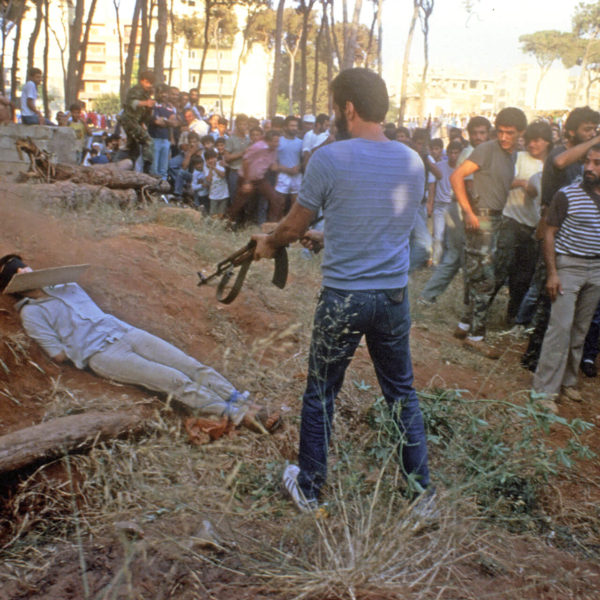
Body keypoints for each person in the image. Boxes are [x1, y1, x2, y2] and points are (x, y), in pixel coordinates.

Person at [252, 68, 431, 512]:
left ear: (347, 108)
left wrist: (269, 243)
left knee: (321, 393)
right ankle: (420, 494)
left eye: (335, 106)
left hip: (344, 298)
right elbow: (391, 229)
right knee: (401, 394)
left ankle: (310, 489)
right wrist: (328, 236)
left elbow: (294, 225)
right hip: (392, 297)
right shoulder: (412, 161)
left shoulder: (329, 158)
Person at [0, 254, 279, 434]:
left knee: (190, 365)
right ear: (14, 285)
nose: (26, 270)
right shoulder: (32, 313)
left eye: (24, 266)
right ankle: (237, 415)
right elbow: (58, 354)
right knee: (173, 379)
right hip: (103, 354)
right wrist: (81, 349)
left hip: (125, 331)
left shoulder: (65, 284)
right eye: (18, 271)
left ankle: (238, 398)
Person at [522, 106, 600, 371]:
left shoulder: (584, 159)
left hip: (571, 240)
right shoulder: (559, 152)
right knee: (548, 298)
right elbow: (559, 163)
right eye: (587, 129)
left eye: (594, 129)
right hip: (552, 233)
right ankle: (534, 357)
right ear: (570, 131)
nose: (592, 134)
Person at [450, 107, 527, 358]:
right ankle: (476, 335)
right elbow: (456, 176)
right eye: (501, 132)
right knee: (485, 278)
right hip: (481, 218)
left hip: (495, 218)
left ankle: (464, 324)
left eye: (510, 133)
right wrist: (468, 212)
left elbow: (498, 181)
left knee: (477, 272)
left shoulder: (510, 156)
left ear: (520, 134)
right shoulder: (487, 149)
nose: (504, 137)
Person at [531, 145, 600, 412]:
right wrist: (553, 273)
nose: (589, 168)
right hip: (568, 266)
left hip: (596, 268)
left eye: (596, 163)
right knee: (560, 327)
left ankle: (568, 382)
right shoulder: (567, 194)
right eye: (587, 162)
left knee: (580, 329)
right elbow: (548, 233)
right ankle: (544, 391)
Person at [418, 116, 491, 304]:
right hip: (462, 209)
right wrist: (472, 212)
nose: (478, 137)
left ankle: (430, 296)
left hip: (468, 210)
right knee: (460, 256)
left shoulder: (484, 151)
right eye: (474, 133)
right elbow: (469, 185)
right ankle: (435, 297)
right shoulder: (469, 153)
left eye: (482, 132)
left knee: (460, 257)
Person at [493, 121, 551, 325]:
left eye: (537, 140)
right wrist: (522, 183)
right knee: (499, 269)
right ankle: (479, 313)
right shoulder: (520, 158)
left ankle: (512, 317)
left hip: (535, 228)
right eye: (529, 140)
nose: (532, 144)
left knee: (523, 277)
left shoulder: (551, 165)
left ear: (547, 142)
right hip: (511, 220)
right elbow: (503, 181)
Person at [226, 130, 282, 225]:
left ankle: (272, 226)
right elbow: (246, 161)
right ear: (268, 141)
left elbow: (273, 166)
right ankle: (226, 223)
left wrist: (286, 168)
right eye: (275, 141)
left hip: (260, 179)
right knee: (239, 203)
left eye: (278, 141)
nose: (277, 144)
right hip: (246, 178)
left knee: (275, 199)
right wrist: (247, 182)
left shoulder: (274, 150)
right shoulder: (258, 147)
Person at [427, 140, 462, 265]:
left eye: (456, 153)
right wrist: (430, 203)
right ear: (447, 153)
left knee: (453, 238)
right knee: (438, 236)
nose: (453, 156)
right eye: (451, 153)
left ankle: (452, 263)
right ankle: (436, 262)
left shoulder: (463, 168)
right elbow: (432, 186)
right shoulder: (440, 166)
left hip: (455, 206)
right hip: (440, 205)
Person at [118, 69, 156, 173]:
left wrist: (144, 121)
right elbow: (132, 103)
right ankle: (147, 170)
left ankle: (128, 170)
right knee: (148, 141)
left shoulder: (146, 93)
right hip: (129, 121)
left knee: (133, 150)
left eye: (151, 83)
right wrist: (146, 103)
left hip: (135, 122)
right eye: (148, 82)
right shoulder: (135, 90)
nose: (149, 85)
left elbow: (143, 113)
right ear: (142, 81)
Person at [274, 116, 303, 213]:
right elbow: (273, 161)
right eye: (292, 125)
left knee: (295, 204)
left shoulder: (301, 142)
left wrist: (299, 167)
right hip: (282, 175)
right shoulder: (278, 141)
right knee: (280, 204)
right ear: (285, 127)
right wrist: (287, 169)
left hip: (296, 175)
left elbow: (304, 159)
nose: (294, 128)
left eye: (296, 126)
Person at [224, 114, 251, 200]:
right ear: (237, 125)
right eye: (241, 124)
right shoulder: (231, 139)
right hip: (235, 172)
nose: (243, 127)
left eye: (245, 124)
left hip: (247, 173)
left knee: (246, 198)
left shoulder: (248, 139)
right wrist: (241, 154)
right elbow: (226, 158)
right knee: (234, 197)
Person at [204, 148, 229, 216]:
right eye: (208, 159)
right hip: (213, 196)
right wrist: (211, 169)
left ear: (216, 157)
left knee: (221, 214)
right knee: (213, 214)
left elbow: (223, 175)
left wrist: (214, 167)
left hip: (224, 195)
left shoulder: (220, 164)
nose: (210, 160)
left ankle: (220, 224)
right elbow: (209, 179)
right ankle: (214, 225)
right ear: (206, 160)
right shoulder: (206, 168)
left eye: (212, 158)